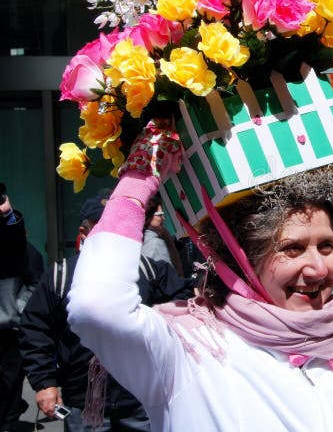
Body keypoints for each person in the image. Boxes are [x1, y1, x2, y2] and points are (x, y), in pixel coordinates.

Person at [67, 125, 333, 431]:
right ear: (243, 261)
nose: (319, 268)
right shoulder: (189, 349)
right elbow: (96, 306)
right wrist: (137, 184)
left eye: (326, 246)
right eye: (292, 248)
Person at [19, 192, 194, 430]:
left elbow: (185, 311)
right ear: (84, 233)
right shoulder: (59, 275)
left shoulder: (150, 271)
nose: (113, 235)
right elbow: (34, 329)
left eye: (118, 226)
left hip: (142, 399)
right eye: (103, 227)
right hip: (84, 403)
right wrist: (44, 382)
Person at [0, 182, 40, 430]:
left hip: (8, 332)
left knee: (8, 397)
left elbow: (31, 279)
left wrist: (8, 216)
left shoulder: (24, 252)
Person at [141, 195, 183, 276]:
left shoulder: (143, 241)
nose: (163, 218)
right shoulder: (155, 243)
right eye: (160, 214)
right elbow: (169, 278)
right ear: (149, 216)